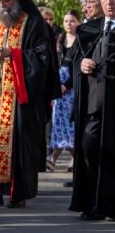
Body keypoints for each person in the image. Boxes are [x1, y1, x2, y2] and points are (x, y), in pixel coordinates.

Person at [0, 0, 60, 208]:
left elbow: (42, 59)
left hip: (21, 96)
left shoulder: (34, 23)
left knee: (17, 146)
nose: (2, 6)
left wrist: (14, 54)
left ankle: (16, 193)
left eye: (6, 1)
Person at [70, 0, 115, 221]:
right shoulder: (90, 29)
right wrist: (82, 64)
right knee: (89, 148)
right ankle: (95, 203)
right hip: (95, 105)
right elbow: (74, 61)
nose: (110, 3)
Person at [47, 10, 79, 171]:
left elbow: (78, 67)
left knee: (71, 124)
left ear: (78, 22)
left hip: (71, 87)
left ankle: (58, 158)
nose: (69, 24)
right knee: (58, 123)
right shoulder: (59, 40)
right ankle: (55, 158)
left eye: (72, 21)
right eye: (66, 21)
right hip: (57, 86)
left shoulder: (80, 40)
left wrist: (66, 85)